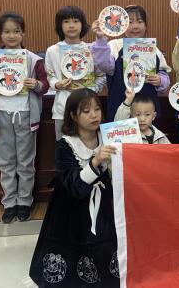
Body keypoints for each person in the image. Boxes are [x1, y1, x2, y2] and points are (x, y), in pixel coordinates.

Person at [29, 89, 119, 287]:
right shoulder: (66, 145)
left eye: (97, 109)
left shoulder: (108, 137)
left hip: (104, 205)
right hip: (71, 208)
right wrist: (95, 162)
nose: (94, 115)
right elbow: (75, 187)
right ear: (73, 116)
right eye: (86, 111)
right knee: (72, 252)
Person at [0, 12, 49, 223]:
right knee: (5, 162)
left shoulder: (33, 59)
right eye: (6, 32)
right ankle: (9, 203)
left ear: (23, 33)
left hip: (25, 115)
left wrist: (35, 84)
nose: (11, 36)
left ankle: (24, 202)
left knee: (25, 162)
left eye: (16, 31)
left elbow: (45, 86)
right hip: (0, 115)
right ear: (0, 34)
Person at [91, 4, 171, 122]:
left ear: (146, 26)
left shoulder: (154, 49)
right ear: (122, 26)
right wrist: (100, 39)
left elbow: (165, 77)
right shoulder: (115, 46)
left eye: (140, 21)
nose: (135, 26)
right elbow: (104, 65)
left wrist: (160, 80)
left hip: (147, 113)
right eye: (130, 22)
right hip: (120, 108)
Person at [45, 6, 106, 140]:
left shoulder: (92, 49)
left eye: (76, 21)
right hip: (62, 108)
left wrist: (91, 90)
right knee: (64, 146)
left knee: (89, 145)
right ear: (59, 25)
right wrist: (57, 84)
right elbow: (50, 76)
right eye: (66, 21)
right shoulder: (52, 51)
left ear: (82, 24)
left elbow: (101, 76)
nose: (71, 25)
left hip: (88, 109)